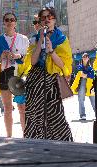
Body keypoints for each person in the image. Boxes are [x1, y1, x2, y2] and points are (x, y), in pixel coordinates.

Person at [24, 7, 73, 141]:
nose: (46, 20)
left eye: (49, 17)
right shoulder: (35, 38)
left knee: (55, 115)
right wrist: (40, 40)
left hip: (52, 81)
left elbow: (64, 65)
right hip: (35, 81)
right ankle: (35, 144)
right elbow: (33, 61)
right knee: (34, 115)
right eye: (43, 18)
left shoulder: (62, 38)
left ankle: (63, 145)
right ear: (39, 21)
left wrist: (51, 51)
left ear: (54, 19)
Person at [71, 53, 95, 120]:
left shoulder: (91, 68)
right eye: (84, 56)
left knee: (93, 100)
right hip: (81, 84)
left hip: (90, 85)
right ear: (82, 58)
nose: (85, 57)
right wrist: (88, 75)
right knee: (81, 100)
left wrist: (86, 75)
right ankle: (82, 115)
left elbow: (92, 76)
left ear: (88, 58)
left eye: (86, 56)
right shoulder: (80, 66)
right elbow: (81, 74)